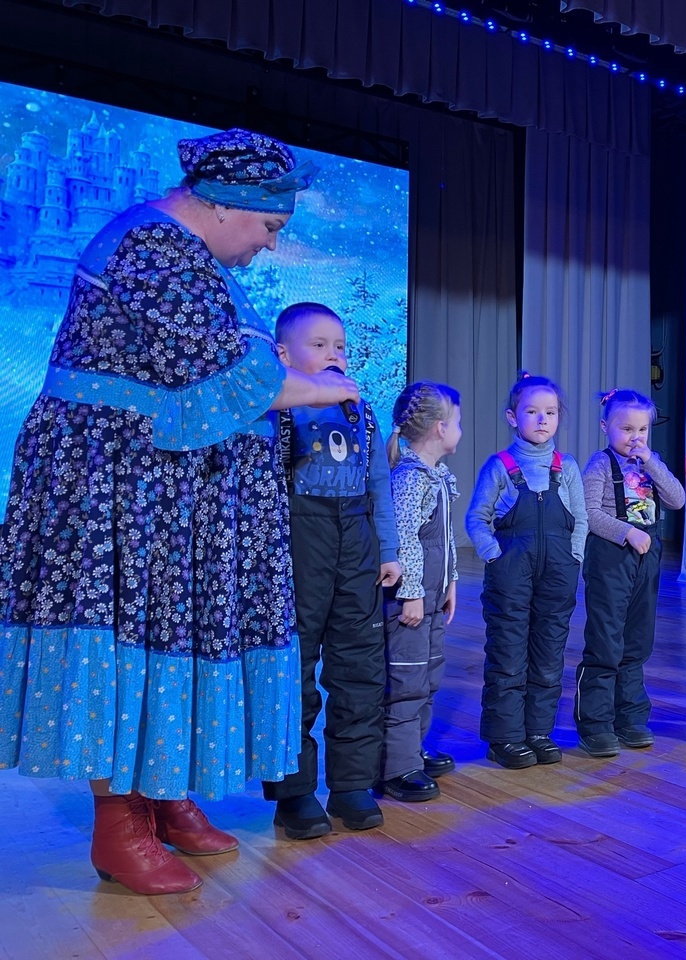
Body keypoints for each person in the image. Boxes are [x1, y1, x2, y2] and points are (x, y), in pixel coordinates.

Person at [0, 129, 358, 894]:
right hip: (114, 490)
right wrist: (332, 388)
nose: (270, 245)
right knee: (123, 635)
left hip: (160, 490)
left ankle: (161, 791)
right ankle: (119, 822)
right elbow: (237, 377)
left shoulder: (185, 252)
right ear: (226, 203)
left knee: (168, 632)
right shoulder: (152, 249)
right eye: (269, 226)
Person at [263, 303, 401, 838]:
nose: (333, 355)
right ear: (283, 356)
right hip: (299, 545)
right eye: (318, 345)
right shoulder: (276, 413)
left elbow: (379, 485)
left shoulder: (361, 412)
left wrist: (388, 550)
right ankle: (294, 793)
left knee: (360, 664)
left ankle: (351, 784)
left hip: (357, 545)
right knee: (295, 666)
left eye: (339, 346)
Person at [466, 374, 588, 769]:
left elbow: (581, 519)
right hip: (510, 575)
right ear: (512, 417)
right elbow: (476, 518)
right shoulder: (499, 466)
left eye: (550, 412)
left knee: (549, 653)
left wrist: (574, 556)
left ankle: (538, 731)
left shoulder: (567, 468)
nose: (542, 419)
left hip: (558, 573)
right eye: (532, 411)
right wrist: (494, 555)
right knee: (508, 653)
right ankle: (505, 737)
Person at [574, 389, 686, 758]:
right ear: (605, 427)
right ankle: (595, 722)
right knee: (607, 638)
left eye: (642, 430)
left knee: (637, 639)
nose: (635, 437)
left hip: (646, 557)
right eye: (626, 429)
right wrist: (626, 532)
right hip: (611, 556)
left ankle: (631, 716)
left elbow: (677, 499)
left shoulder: (651, 463)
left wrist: (651, 462)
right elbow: (588, 512)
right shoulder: (600, 464)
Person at [380, 380, 463, 800]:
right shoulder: (411, 478)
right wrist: (411, 591)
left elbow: (444, 539)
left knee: (428, 675)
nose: (460, 430)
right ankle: (398, 767)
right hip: (411, 601)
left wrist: (450, 582)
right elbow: (404, 538)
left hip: (432, 596)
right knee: (407, 681)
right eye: (458, 422)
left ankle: (413, 750)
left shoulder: (436, 476)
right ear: (440, 428)